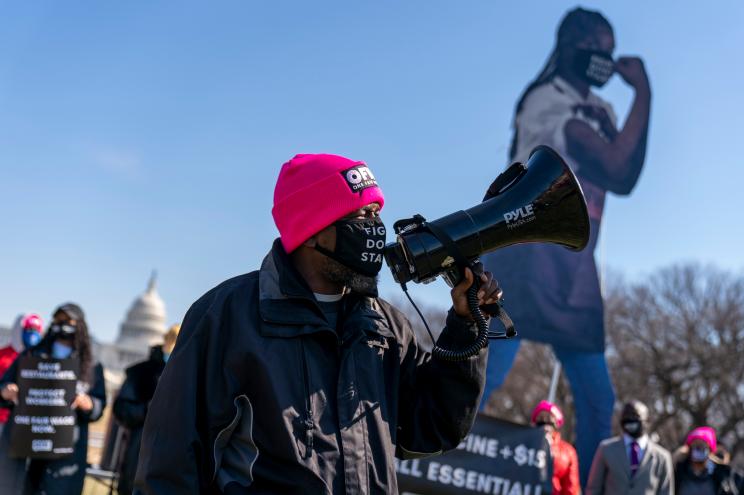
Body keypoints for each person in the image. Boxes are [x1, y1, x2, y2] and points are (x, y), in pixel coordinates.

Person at [134, 153, 503, 494]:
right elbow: (170, 460)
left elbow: (430, 429)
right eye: (362, 217)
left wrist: (466, 325)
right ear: (312, 230)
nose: (377, 229)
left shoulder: (387, 327)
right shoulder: (226, 316)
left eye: (378, 214)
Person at [481, 7, 651, 485]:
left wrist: (638, 100)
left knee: (597, 395)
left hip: (575, 262)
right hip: (525, 253)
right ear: (571, 46)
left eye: (611, 47)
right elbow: (613, 165)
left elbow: (627, 176)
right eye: (595, 45)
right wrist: (645, 92)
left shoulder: (605, 109)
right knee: (488, 369)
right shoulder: (544, 100)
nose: (605, 56)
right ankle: (442, 458)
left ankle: (593, 482)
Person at [0, 303, 107, 495]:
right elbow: (3, 386)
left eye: (68, 321)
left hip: (66, 452)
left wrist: (89, 404)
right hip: (27, 448)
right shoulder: (31, 355)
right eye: (58, 320)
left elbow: (99, 405)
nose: (62, 325)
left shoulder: (91, 366)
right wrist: (5, 391)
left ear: (79, 326)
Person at [113, 323, 181, 495]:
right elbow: (121, 409)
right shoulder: (139, 372)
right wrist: (148, 409)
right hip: (139, 460)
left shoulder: (195, 377)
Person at [586, 400, 673, 495]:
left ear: (647, 420)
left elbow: (666, 491)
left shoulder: (662, 457)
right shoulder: (606, 449)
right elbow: (593, 489)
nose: (630, 420)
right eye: (627, 417)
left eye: (635, 416)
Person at [0, 313, 43, 432]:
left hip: (29, 422)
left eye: (36, 330)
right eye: (29, 329)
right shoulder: (3, 356)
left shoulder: (41, 360)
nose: (33, 334)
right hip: (3, 419)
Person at [674, 426, 744, 495]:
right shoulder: (678, 473)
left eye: (703, 446)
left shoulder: (722, 476)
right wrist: (674, 459)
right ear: (689, 450)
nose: (699, 449)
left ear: (710, 450)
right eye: (696, 446)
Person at [532, 400, 579, 495]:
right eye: (541, 417)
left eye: (549, 417)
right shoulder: (525, 443)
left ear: (556, 422)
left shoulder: (568, 451)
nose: (545, 421)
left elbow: (571, 487)